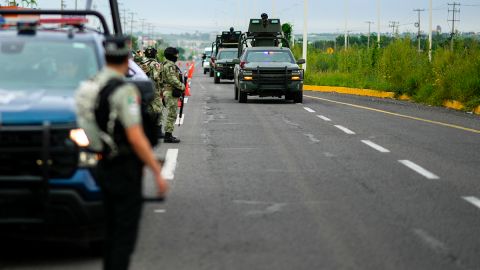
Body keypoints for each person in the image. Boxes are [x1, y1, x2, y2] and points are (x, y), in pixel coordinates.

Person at [84, 36, 168, 270]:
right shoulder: (125, 91)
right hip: (124, 169)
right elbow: (135, 136)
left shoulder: (87, 87)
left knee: (109, 232)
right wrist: (156, 170)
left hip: (99, 165)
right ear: (127, 59)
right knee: (123, 237)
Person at [139, 47, 164, 138]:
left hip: (144, 90)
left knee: (148, 110)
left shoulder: (142, 64)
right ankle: (158, 131)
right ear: (155, 54)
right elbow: (157, 77)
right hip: (154, 90)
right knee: (158, 110)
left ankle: (146, 131)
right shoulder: (155, 64)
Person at [161, 47, 185, 143]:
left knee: (171, 114)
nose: (177, 56)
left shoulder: (165, 64)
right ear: (172, 55)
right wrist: (182, 86)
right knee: (172, 115)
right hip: (170, 92)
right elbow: (172, 79)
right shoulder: (170, 66)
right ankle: (168, 136)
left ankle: (168, 134)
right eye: (176, 55)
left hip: (167, 91)